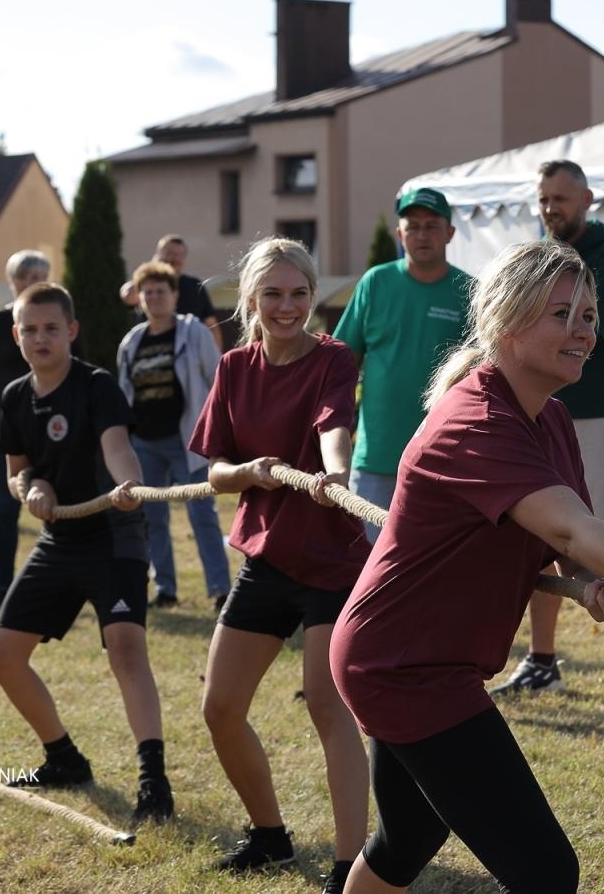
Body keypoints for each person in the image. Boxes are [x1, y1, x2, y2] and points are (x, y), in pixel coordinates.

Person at [329, 239, 604, 893]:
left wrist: (588, 584)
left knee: (408, 838)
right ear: (507, 322)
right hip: (404, 666)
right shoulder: (478, 421)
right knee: (545, 872)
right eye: (561, 314)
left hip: (416, 656)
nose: (582, 330)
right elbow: (571, 523)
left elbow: (565, 540)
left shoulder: (551, 421)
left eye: (589, 314)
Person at [190, 238, 368, 891]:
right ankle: (270, 837)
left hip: (333, 562)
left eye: (299, 293)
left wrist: (335, 471)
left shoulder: (333, 359)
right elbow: (215, 471)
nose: (288, 306)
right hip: (266, 561)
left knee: (328, 704)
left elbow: (332, 423)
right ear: (252, 301)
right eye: (274, 294)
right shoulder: (235, 367)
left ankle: (351, 866)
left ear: (312, 296)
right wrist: (249, 471)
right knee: (220, 706)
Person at [0, 282, 173, 827]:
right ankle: (64, 758)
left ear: (71, 331)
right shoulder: (15, 396)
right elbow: (19, 469)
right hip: (59, 541)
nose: (40, 338)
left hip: (114, 535)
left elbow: (118, 449)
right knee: (3, 655)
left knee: (125, 650)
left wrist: (130, 486)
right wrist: (30, 489)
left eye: (51, 328)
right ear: (17, 336)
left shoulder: (96, 386)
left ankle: (153, 779)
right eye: (30, 330)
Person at [491, 159, 604, 705]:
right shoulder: (540, 258)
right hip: (535, 414)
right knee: (538, 539)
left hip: (593, 415)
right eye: (544, 199)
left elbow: (594, 332)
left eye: (561, 198)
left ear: (587, 200)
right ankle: (541, 660)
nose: (551, 208)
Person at [334, 187, 471, 542]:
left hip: (444, 457)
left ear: (450, 233)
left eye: (431, 226)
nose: (421, 235)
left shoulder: (469, 291)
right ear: (399, 234)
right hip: (376, 455)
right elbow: (342, 360)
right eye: (413, 226)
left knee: (433, 561)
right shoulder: (376, 282)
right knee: (367, 563)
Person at [117, 261, 227, 608]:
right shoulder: (131, 342)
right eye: (147, 292)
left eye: (160, 291)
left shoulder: (193, 333)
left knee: (202, 514)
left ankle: (221, 589)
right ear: (140, 299)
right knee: (153, 518)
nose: (154, 298)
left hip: (188, 441)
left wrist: (219, 433)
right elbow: (124, 392)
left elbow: (218, 382)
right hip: (145, 443)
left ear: (174, 295)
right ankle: (165, 588)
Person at [0, 249, 48, 606]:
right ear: (12, 282)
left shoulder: (61, 318)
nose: (30, 283)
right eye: (23, 277)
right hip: (4, 429)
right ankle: (4, 587)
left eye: (37, 277)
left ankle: (57, 585)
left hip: (51, 427)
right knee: (5, 508)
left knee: (55, 505)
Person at [119, 233, 223, 350]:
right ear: (157, 255)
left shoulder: (195, 285)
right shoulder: (147, 285)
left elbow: (212, 324)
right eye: (169, 253)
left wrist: (217, 356)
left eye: (179, 255)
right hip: (151, 346)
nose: (174, 259)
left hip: (190, 352)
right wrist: (153, 270)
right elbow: (127, 296)